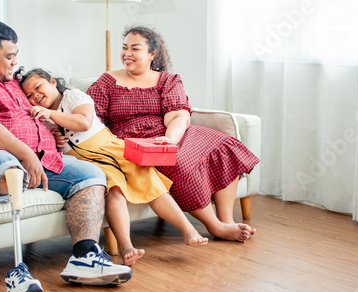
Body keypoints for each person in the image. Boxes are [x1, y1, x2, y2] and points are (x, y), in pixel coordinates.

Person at [0, 21, 132, 292]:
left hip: (43, 158)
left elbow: (33, 115)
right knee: (10, 171)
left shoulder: (13, 84)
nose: (16, 62)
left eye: (17, 54)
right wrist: (26, 155)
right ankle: (16, 187)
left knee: (91, 175)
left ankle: (84, 258)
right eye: (9, 56)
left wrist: (52, 137)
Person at [17, 67, 209, 266]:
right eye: (29, 95)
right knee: (114, 192)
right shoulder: (44, 117)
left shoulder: (72, 96)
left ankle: (188, 230)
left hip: (107, 146)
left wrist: (50, 114)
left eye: (38, 87)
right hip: (83, 161)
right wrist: (55, 137)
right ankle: (126, 246)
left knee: (150, 183)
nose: (35, 96)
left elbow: (83, 122)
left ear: (53, 82)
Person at [86, 26, 260, 243]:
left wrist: (170, 140)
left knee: (224, 145)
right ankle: (214, 226)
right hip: (135, 143)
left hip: (170, 135)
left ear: (152, 54)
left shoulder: (167, 80)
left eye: (135, 48)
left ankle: (226, 220)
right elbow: (91, 119)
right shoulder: (107, 82)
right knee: (179, 165)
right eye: (124, 48)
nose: (127, 53)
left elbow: (177, 116)